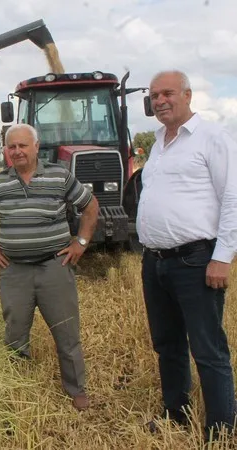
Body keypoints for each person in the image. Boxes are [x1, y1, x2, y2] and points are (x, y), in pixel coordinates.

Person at [0, 123, 99, 411]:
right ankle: (18, 386)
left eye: (23, 145)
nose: (17, 151)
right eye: (12, 147)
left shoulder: (60, 176)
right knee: (15, 332)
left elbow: (90, 206)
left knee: (66, 332)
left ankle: (76, 390)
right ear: (6, 151)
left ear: (36, 147)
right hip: (14, 272)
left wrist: (81, 242)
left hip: (55, 267)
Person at [137, 69, 237, 441]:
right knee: (168, 344)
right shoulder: (159, 141)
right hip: (156, 260)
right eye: (154, 95)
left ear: (188, 95)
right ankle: (176, 414)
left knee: (208, 348)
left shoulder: (212, 138)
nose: (160, 100)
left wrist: (222, 256)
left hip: (196, 259)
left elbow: (232, 197)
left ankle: (221, 428)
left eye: (168, 93)